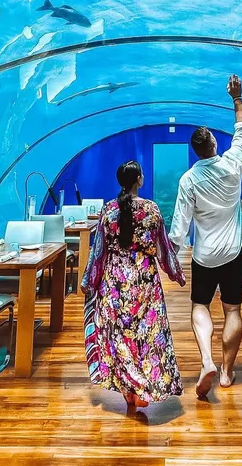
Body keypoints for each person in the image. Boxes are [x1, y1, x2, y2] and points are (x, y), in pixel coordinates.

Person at [81, 160, 186, 409]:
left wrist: (89, 281)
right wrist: (176, 273)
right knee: (146, 334)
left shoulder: (108, 210)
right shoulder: (151, 209)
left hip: (115, 280)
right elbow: (163, 248)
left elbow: (99, 251)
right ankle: (142, 387)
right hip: (144, 280)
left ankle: (129, 389)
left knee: (118, 335)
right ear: (139, 179)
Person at [169, 74, 242, 398]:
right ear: (214, 145)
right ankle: (227, 371)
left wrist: (173, 259)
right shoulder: (233, 165)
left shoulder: (189, 180)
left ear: (194, 151)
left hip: (204, 256)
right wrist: (236, 98)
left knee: (200, 305)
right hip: (234, 251)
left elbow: (179, 226)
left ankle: (206, 362)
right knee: (232, 310)